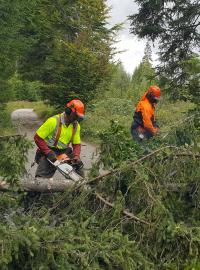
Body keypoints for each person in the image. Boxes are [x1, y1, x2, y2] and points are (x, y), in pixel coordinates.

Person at [34, 98, 85, 179]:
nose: (76, 119)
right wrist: (48, 152)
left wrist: (76, 156)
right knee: (41, 179)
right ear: (68, 111)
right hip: (48, 150)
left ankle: (79, 189)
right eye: (75, 116)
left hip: (64, 151)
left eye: (78, 117)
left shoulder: (75, 125)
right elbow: (37, 138)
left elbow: (76, 144)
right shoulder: (53, 121)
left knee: (79, 173)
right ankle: (37, 189)